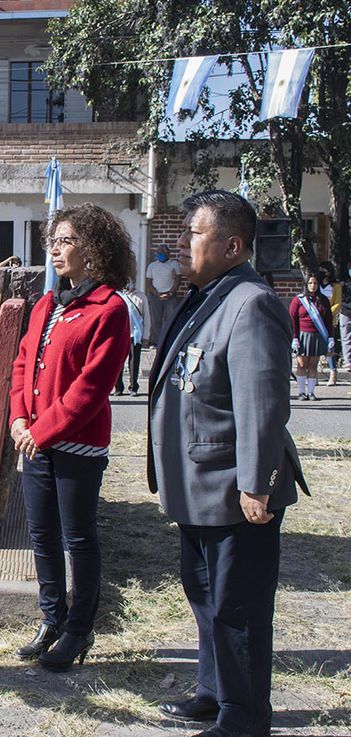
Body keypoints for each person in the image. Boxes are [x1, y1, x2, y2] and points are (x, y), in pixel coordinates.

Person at [149, 190, 308, 737]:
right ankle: (214, 694)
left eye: (195, 232)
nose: (183, 241)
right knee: (206, 601)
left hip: (234, 489)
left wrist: (257, 484)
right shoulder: (206, 295)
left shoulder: (252, 301)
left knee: (237, 610)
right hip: (198, 485)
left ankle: (243, 718)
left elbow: (262, 404)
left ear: (233, 245)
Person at [9, 203, 133, 672]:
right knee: (41, 535)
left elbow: (91, 387)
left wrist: (39, 430)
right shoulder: (47, 304)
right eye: (53, 241)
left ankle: (80, 629)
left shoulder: (110, 308)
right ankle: (51, 619)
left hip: (76, 444)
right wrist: (20, 420)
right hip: (35, 441)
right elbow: (23, 365)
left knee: (77, 538)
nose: (56, 249)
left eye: (66, 240)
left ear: (93, 247)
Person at [289, 273, 333, 401]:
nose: (312, 286)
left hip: (317, 335)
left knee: (313, 365)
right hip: (303, 335)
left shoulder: (323, 300)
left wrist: (330, 337)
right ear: (306, 285)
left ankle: (311, 392)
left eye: (315, 283)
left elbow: (328, 320)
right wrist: (295, 338)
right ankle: (301, 392)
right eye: (310, 283)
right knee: (302, 364)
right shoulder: (298, 300)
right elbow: (293, 320)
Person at [114, 281, 149, 396]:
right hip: (120, 333)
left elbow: (147, 318)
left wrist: (146, 336)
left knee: (134, 361)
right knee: (118, 362)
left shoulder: (141, 296)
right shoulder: (118, 295)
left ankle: (134, 387)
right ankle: (118, 387)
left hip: (136, 334)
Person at [145, 243, 181, 343]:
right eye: (159, 252)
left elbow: (178, 280)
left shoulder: (174, 264)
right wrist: (157, 294)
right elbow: (148, 283)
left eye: (163, 252)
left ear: (168, 253)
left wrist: (170, 293)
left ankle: (169, 340)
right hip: (155, 296)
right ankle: (156, 341)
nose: (161, 254)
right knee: (155, 320)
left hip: (170, 296)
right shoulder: (152, 266)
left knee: (171, 319)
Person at [318, 261, 340, 385]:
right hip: (316, 318)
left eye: (324, 271)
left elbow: (337, 303)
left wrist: (327, 313)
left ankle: (333, 371)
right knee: (315, 345)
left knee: (329, 345)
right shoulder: (317, 284)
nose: (322, 273)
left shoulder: (335, 286)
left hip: (328, 318)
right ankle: (313, 373)